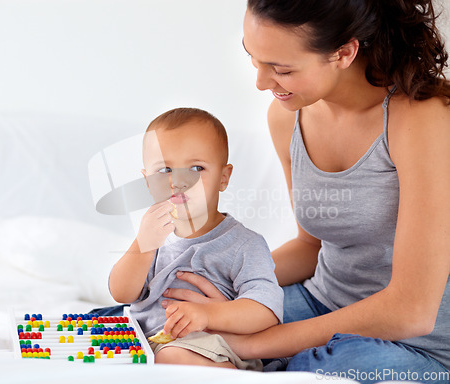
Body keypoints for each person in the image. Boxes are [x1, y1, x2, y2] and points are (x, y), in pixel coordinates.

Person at [160, 1, 450, 383]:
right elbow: (309, 247)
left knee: (311, 372)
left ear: (344, 52)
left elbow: (412, 310)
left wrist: (255, 344)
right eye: (253, 58)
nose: (261, 82)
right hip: (320, 301)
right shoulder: (287, 116)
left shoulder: (422, 117)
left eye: (282, 69)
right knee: (175, 344)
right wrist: (233, 288)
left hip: (422, 343)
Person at [108, 107, 284, 370]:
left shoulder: (244, 244)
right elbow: (121, 293)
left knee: (171, 358)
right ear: (147, 181)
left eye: (196, 168)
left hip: (210, 346)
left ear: (223, 178)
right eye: (165, 170)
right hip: (146, 344)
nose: (178, 181)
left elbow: (266, 311)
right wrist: (142, 245)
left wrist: (208, 314)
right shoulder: (153, 235)